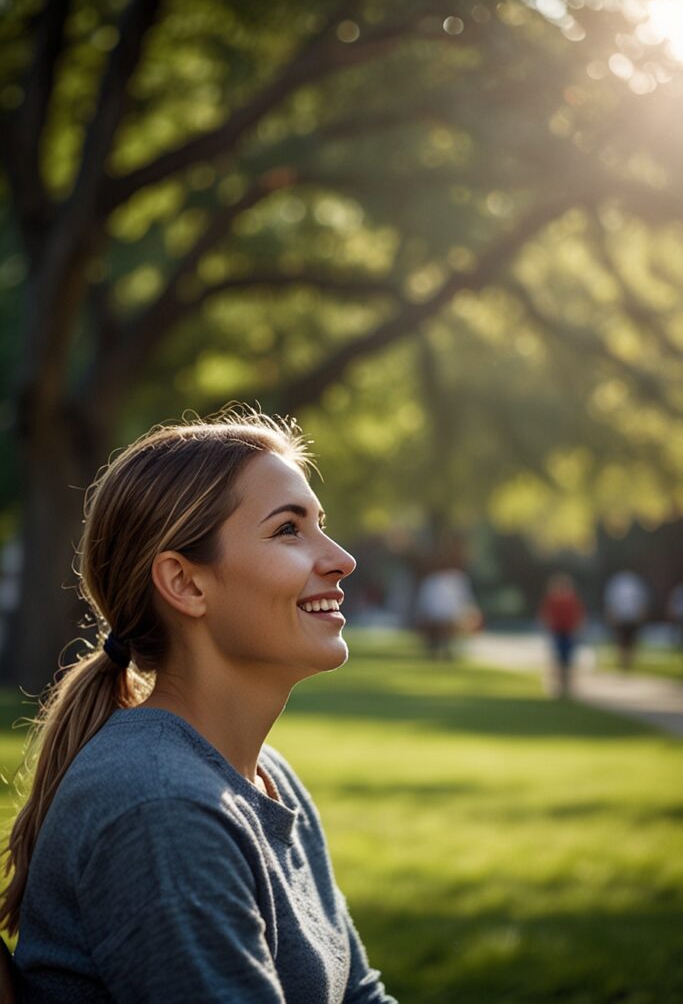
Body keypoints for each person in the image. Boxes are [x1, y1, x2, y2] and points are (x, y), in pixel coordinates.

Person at [1, 409, 396, 1003]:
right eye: (289, 530)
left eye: (320, 524)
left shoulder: (267, 777)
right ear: (185, 584)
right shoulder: (159, 805)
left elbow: (361, 994)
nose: (342, 558)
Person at [414, 561, 479, 660]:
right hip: (436, 617)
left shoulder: (457, 579)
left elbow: (465, 601)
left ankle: (446, 647)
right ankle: (437, 647)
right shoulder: (432, 580)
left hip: (452, 616)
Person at [538, 573, 585, 697]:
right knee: (557, 660)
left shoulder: (572, 600)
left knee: (568, 661)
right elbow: (546, 616)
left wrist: (577, 630)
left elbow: (578, 617)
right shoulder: (552, 599)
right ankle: (557, 686)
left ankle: (568, 686)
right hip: (557, 632)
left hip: (568, 633)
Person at [603, 569, 649, 671]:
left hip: (632, 617)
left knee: (630, 641)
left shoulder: (634, 582)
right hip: (621, 617)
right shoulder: (618, 583)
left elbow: (641, 601)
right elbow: (611, 602)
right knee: (622, 641)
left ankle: (628, 662)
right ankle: (623, 661)